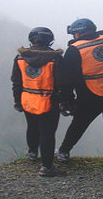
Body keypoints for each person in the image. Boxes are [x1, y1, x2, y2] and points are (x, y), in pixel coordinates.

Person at [55, 18, 103, 179]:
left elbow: (67, 79)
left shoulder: (74, 50)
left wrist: (66, 100)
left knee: (79, 124)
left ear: (77, 33)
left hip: (90, 96)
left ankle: (63, 152)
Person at [11, 26, 66, 177]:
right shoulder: (55, 59)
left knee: (32, 126)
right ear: (50, 40)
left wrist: (17, 101)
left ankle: (32, 153)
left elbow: (16, 82)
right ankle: (47, 167)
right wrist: (65, 102)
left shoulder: (20, 58)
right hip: (49, 101)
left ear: (31, 40)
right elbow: (61, 83)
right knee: (47, 133)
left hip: (28, 99)